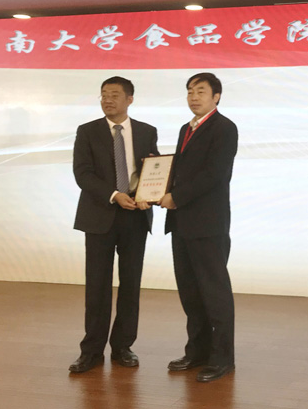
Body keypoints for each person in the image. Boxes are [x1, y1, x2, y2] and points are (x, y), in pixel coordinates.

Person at [69, 76, 158, 373]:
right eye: (104, 94)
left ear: (129, 99)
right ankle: (92, 351)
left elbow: (153, 169)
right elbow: (82, 173)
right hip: (100, 215)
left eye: (115, 95)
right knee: (97, 286)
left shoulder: (146, 131)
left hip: (135, 216)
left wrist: (148, 195)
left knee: (131, 285)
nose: (108, 100)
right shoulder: (87, 131)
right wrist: (114, 195)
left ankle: (123, 347)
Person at [159, 72, 238, 383]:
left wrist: (176, 197)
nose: (193, 97)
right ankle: (197, 352)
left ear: (216, 96)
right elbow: (182, 169)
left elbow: (214, 174)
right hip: (181, 223)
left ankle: (222, 359)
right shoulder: (186, 128)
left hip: (208, 224)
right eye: (190, 91)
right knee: (190, 293)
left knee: (215, 294)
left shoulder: (224, 128)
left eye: (201, 91)